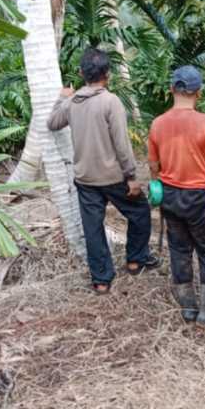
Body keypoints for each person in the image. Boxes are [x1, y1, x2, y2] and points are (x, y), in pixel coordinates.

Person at [48, 48, 160, 295]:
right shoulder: (111, 101)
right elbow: (122, 144)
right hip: (113, 177)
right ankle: (135, 260)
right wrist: (131, 177)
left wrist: (61, 97)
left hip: (85, 179)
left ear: (81, 73)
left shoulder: (72, 103)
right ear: (107, 75)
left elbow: (52, 123)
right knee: (140, 212)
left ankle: (101, 280)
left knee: (93, 229)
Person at [148, 66, 205, 330]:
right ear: (198, 93)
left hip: (170, 196)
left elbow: (153, 167)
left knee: (179, 249)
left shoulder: (158, 124)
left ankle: (188, 309)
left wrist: (158, 190)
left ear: (171, 90)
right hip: (201, 198)